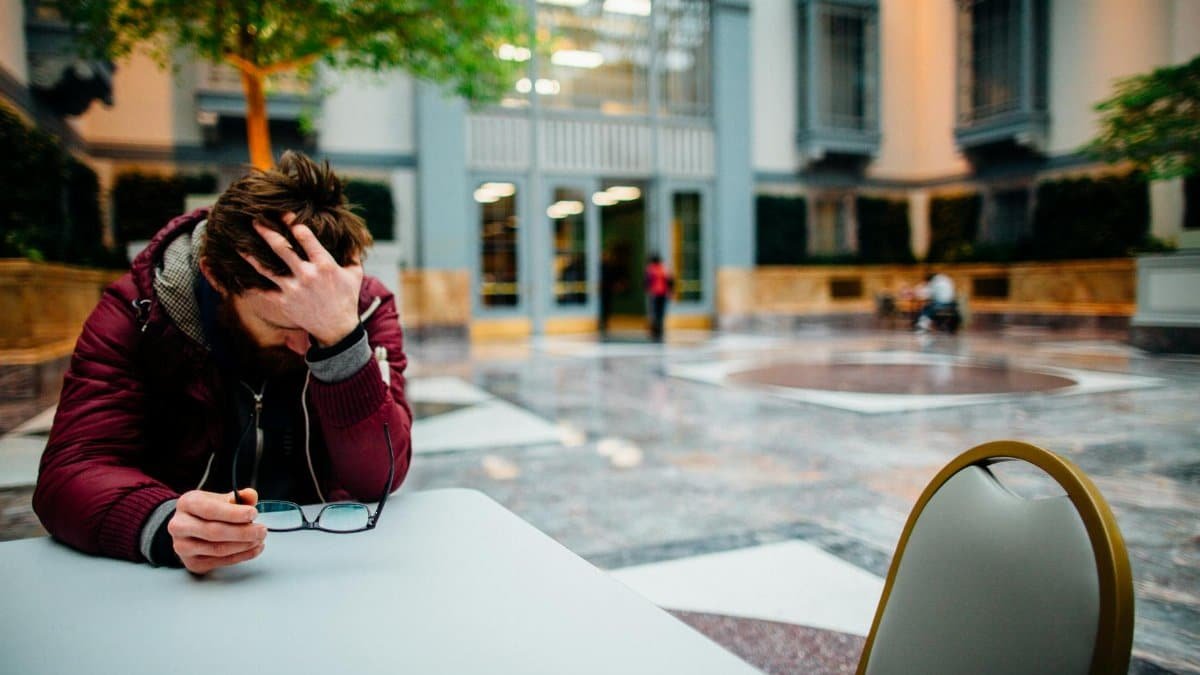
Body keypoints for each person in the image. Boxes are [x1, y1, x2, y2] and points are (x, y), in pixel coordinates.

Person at [33, 151, 413, 574]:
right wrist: (162, 522)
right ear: (215, 276)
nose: (306, 346)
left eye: (319, 323)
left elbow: (378, 477)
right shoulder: (139, 312)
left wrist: (342, 341)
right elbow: (71, 471)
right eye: (282, 323)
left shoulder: (363, 307)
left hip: (326, 561)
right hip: (184, 583)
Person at [643, 253, 674, 343]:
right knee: (660, 312)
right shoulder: (664, 268)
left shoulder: (650, 269)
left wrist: (647, 289)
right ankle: (660, 329)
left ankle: (655, 329)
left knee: (654, 312)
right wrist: (670, 291)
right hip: (663, 293)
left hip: (654, 293)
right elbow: (670, 281)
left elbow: (647, 281)